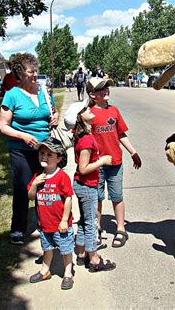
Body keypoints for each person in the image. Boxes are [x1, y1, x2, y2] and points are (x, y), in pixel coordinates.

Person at [0, 53, 59, 245]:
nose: (35, 75)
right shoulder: (12, 95)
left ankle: (46, 223)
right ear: (20, 73)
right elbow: (3, 126)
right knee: (23, 189)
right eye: (30, 72)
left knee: (46, 186)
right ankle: (18, 228)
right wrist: (23, 136)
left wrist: (55, 117)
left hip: (45, 149)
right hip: (21, 150)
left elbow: (53, 112)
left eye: (36, 71)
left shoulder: (44, 91)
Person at [86, 77, 142, 248]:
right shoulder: (87, 114)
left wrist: (133, 152)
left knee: (117, 196)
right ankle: (96, 229)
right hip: (96, 164)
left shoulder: (114, 111)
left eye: (106, 88)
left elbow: (121, 134)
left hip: (115, 162)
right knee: (97, 197)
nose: (105, 91)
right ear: (92, 95)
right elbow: (82, 138)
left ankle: (120, 229)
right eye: (101, 89)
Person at [63, 99, 117, 272]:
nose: (89, 108)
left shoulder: (84, 136)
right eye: (85, 109)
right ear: (80, 118)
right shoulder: (86, 140)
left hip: (82, 185)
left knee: (85, 221)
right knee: (92, 222)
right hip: (87, 186)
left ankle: (81, 252)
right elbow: (83, 168)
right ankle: (93, 258)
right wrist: (102, 161)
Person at [27, 138, 75, 290]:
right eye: (42, 153)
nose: (44, 157)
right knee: (47, 248)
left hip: (60, 224)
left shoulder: (62, 177)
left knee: (65, 250)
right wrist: (35, 184)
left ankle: (68, 273)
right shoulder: (37, 176)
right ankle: (44, 271)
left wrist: (64, 220)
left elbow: (68, 199)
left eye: (49, 154)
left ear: (59, 158)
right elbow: (31, 197)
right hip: (44, 224)